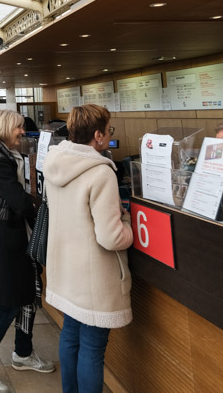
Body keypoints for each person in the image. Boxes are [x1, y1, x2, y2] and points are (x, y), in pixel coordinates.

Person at [44, 105, 133, 393]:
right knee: (93, 348)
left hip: (66, 270)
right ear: (97, 135)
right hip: (94, 277)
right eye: (109, 130)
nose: (109, 135)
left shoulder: (55, 161)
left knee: (70, 335)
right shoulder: (101, 173)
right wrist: (128, 223)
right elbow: (110, 237)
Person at [0, 109, 53, 393]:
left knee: (26, 295)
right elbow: (17, 201)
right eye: (19, 127)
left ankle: (23, 352)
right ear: (6, 129)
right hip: (2, 240)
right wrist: (41, 208)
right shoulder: (1, 162)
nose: (23, 131)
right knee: (9, 304)